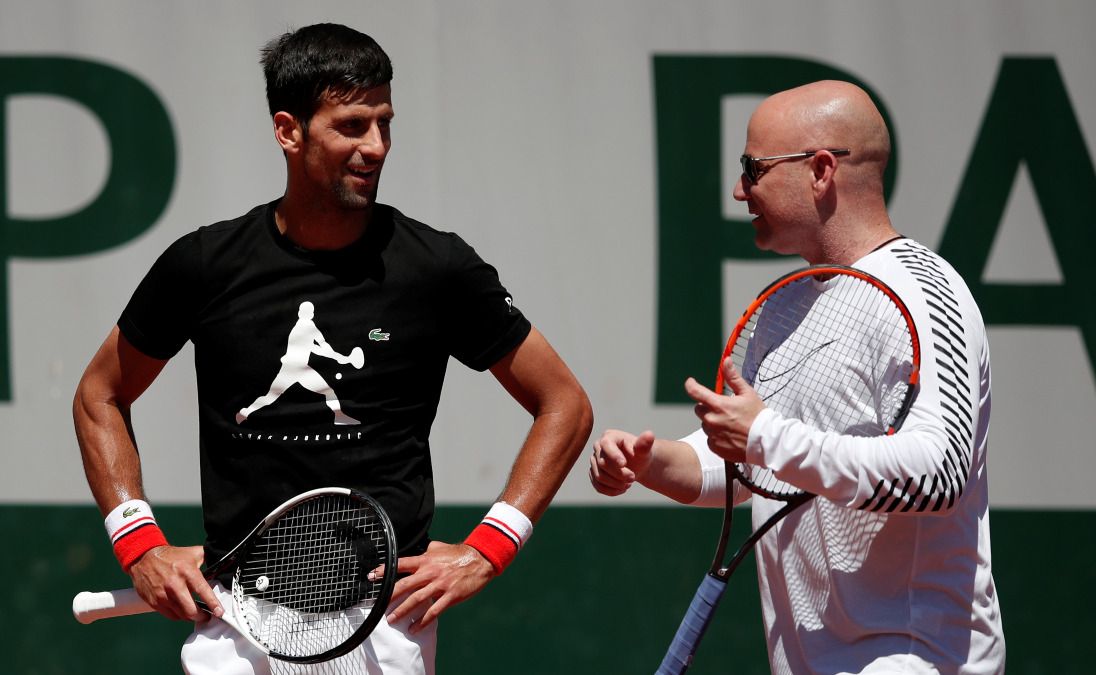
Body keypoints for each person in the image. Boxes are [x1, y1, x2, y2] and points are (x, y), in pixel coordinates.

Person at [75, 23, 592, 675]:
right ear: (288, 130)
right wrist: (137, 539)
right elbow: (100, 392)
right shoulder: (204, 265)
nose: (375, 146)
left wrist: (491, 547)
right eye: (351, 125)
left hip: (385, 632)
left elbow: (564, 404)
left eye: (385, 123)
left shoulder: (438, 268)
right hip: (235, 629)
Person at [590, 81, 1005, 674]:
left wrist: (763, 436)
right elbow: (753, 471)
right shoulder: (782, 308)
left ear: (821, 170)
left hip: (915, 661)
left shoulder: (922, 293)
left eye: (753, 168)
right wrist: (651, 463)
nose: (739, 190)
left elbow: (937, 478)